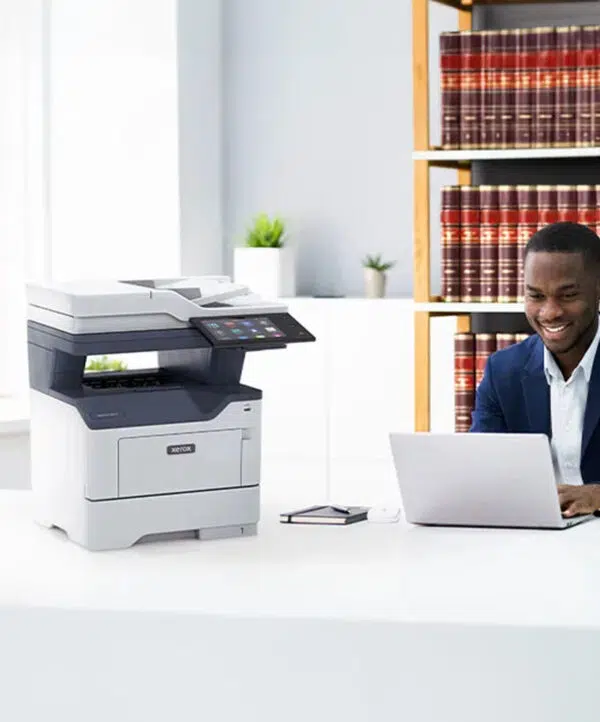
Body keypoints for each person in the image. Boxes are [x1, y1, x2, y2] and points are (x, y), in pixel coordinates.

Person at [471, 221, 600, 518]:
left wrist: (597, 495)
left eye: (567, 295)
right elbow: (480, 469)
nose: (550, 312)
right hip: (530, 542)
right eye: (536, 296)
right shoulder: (503, 371)